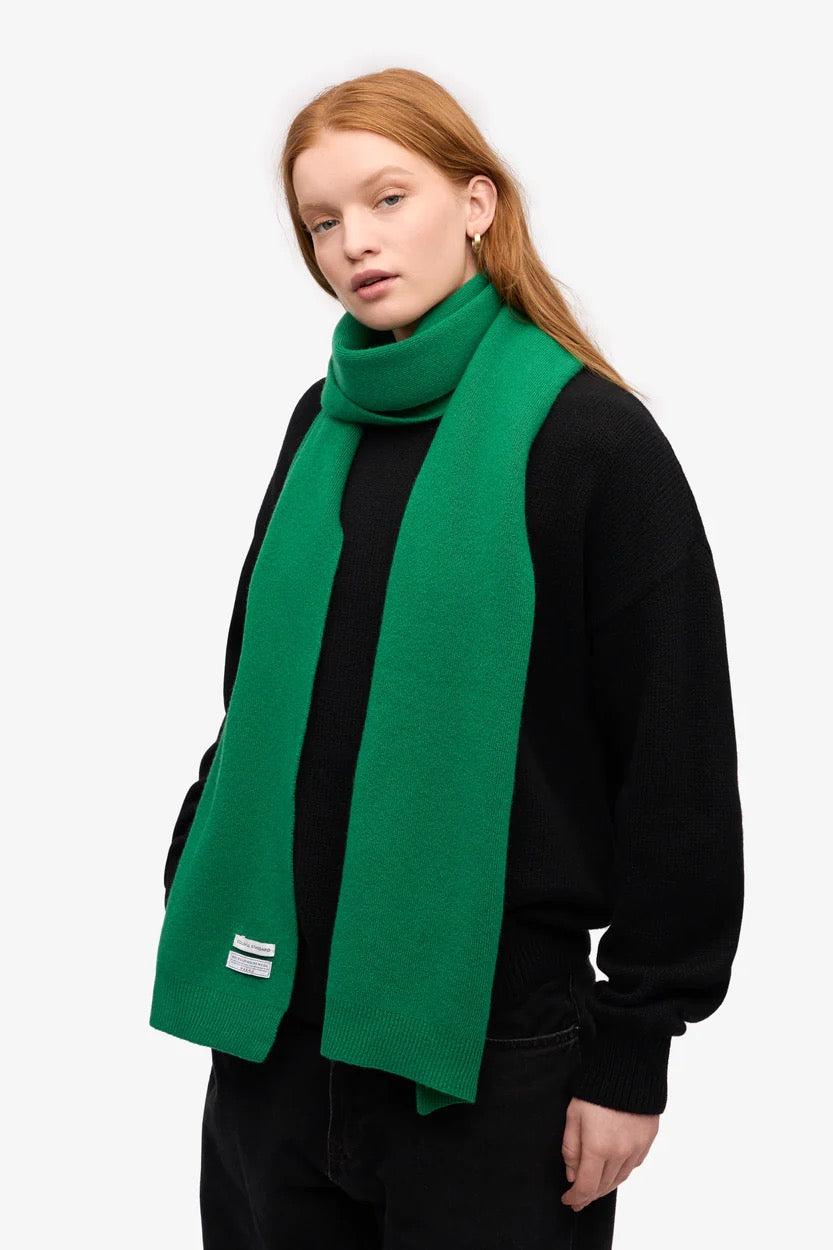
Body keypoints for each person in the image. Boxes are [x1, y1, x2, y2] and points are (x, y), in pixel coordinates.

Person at [149, 66, 745, 1250]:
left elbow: (673, 757)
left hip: (491, 1054)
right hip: (272, 1033)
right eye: (322, 221)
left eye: (387, 198)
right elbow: (256, 696)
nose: (353, 243)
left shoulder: (589, 439)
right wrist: (195, 854)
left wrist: (633, 1046)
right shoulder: (317, 424)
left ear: (476, 203)